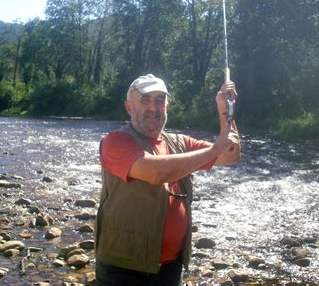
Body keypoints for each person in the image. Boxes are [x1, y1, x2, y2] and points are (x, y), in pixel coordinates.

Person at [94, 73, 240, 285]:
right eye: (145, 100)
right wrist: (215, 148)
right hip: (123, 268)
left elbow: (231, 155)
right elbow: (156, 173)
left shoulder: (181, 143)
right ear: (129, 107)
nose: (153, 107)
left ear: (167, 107)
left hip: (171, 266)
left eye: (160, 101)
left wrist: (226, 110)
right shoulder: (115, 142)